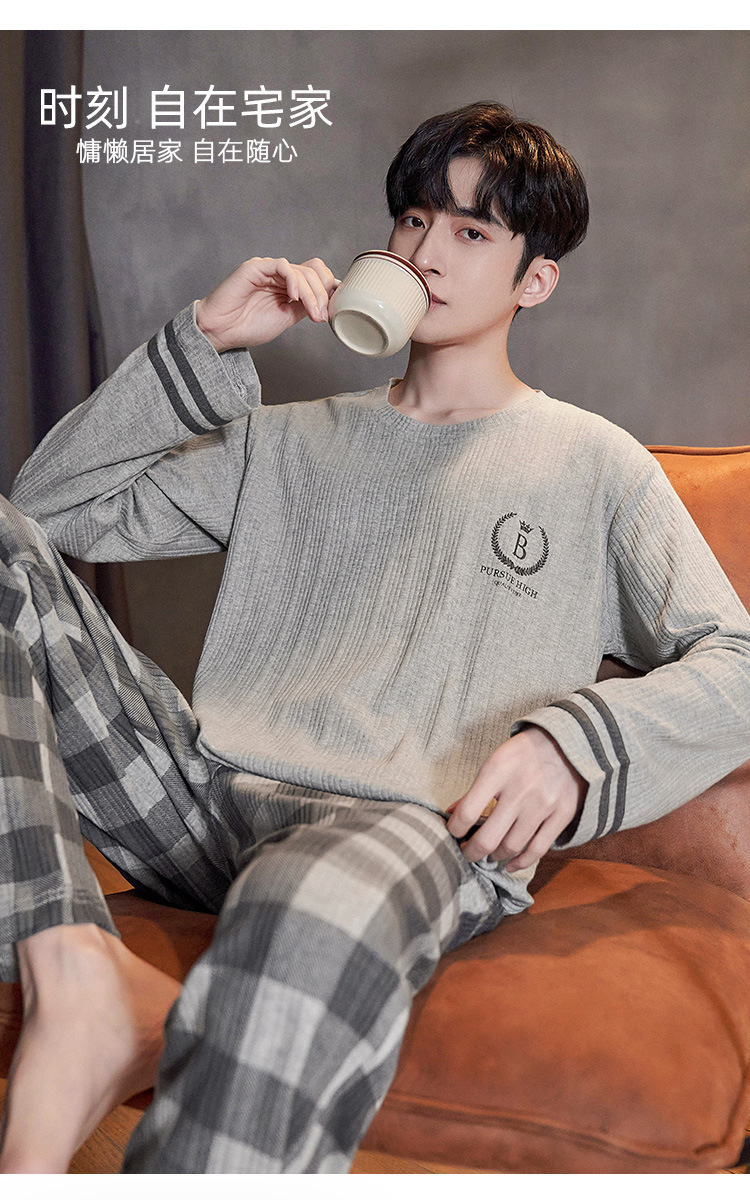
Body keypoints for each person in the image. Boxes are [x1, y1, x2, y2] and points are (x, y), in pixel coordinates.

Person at [1, 100, 749, 1175]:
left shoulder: (595, 465)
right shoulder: (285, 442)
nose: (426, 252)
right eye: (413, 219)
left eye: (472, 231)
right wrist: (206, 339)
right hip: (200, 795)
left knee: (308, 918)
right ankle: (74, 970)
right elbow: (44, 515)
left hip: (405, 821)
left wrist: (577, 743)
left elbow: (738, 662)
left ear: (535, 279)